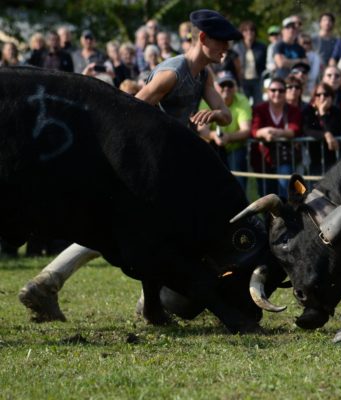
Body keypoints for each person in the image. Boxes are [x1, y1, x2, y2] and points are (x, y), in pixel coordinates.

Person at [18, 9, 243, 322]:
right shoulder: (172, 73)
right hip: (147, 168)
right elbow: (129, 115)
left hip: (170, 167)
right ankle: (49, 282)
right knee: (120, 231)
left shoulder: (204, 74)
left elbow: (226, 114)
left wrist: (214, 115)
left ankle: (141, 300)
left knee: (154, 232)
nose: (226, 49)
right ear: (203, 38)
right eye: (222, 43)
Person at [198, 71, 252, 191]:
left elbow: (246, 130)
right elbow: (202, 130)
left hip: (235, 148)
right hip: (213, 149)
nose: (226, 88)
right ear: (216, 87)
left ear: (235, 87)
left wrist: (228, 137)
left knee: (238, 183)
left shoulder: (242, 100)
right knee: (213, 183)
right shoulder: (205, 101)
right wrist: (213, 136)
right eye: (223, 85)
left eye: (230, 85)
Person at [250, 77, 302, 197]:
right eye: (273, 90)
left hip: (284, 158)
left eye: (281, 90)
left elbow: (295, 130)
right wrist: (262, 133)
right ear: (268, 92)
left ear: (285, 93)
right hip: (262, 160)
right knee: (265, 195)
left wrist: (275, 132)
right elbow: (254, 130)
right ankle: (269, 217)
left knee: (285, 193)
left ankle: (286, 216)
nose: (277, 93)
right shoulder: (259, 109)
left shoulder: (293, 110)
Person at [302, 82, 341, 175]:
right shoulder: (308, 111)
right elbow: (307, 130)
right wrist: (325, 135)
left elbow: (334, 130)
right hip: (314, 159)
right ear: (314, 97)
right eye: (318, 95)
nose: (322, 97)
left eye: (326, 94)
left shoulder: (337, 112)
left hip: (332, 159)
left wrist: (323, 113)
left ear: (331, 97)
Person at [233, 20, 267, 106]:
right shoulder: (236, 48)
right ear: (242, 32)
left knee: (259, 104)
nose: (249, 32)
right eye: (246, 30)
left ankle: (257, 120)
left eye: (252, 30)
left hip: (258, 80)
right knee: (244, 104)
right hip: (243, 81)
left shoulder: (262, 47)